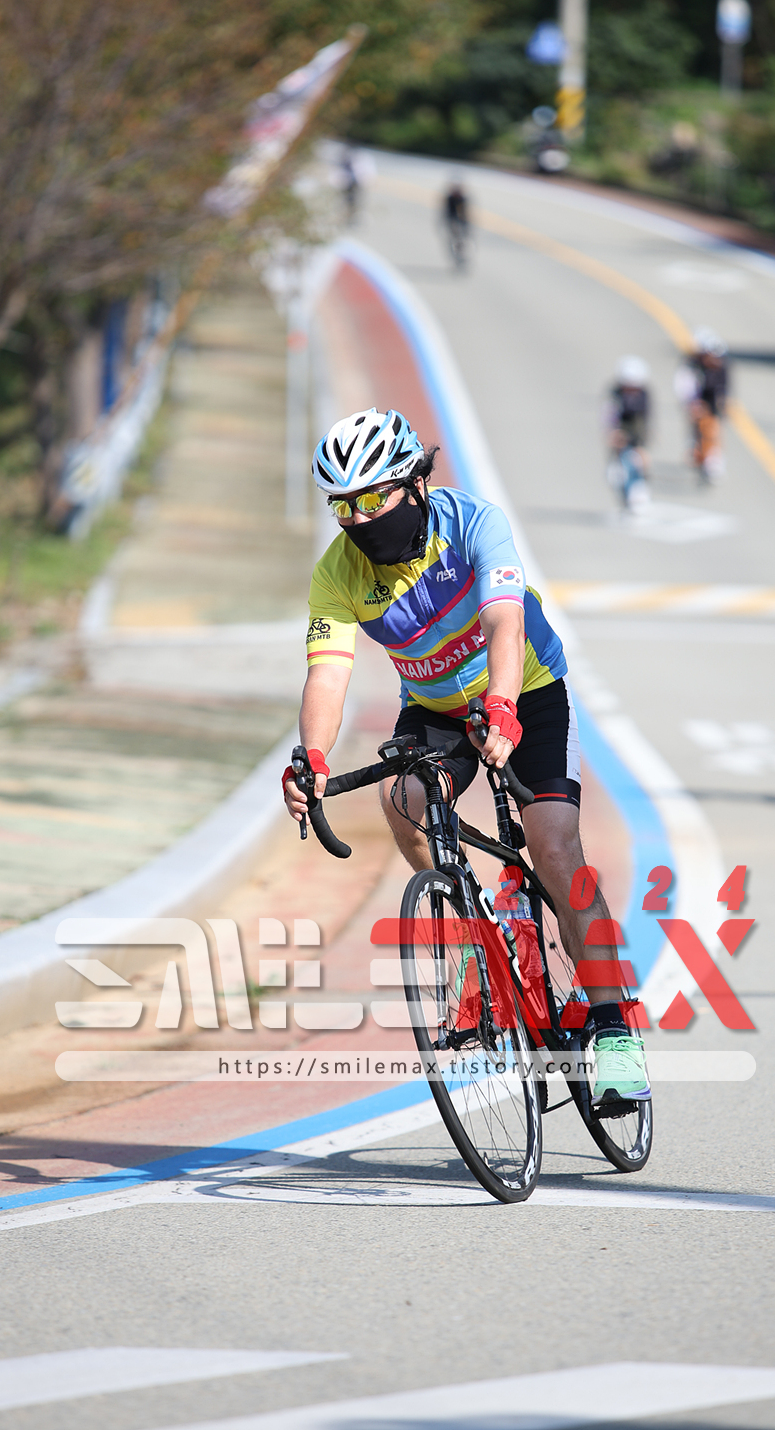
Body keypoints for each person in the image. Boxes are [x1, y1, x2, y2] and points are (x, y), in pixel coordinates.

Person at [283, 408, 650, 1102]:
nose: (360, 520)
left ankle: (613, 1028)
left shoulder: (474, 522)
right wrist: (313, 758)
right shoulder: (337, 574)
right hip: (435, 707)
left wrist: (504, 706)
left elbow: (503, 619)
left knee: (554, 846)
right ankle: (473, 949)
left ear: (415, 482)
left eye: (373, 499)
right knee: (404, 802)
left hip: (526, 689)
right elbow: (327, 674)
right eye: (344, 506)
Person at [674, 328, 728, 483]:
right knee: (698, 426)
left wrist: (720, 405)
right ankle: (696, 451)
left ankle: (713, 460)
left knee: (712, 428)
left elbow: (724, 389)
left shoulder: (721, 366)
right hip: (696, 400)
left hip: (712, 401)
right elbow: (684, 387)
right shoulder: (691, 366)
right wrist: (692, 404)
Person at [604, 356, 652, 511]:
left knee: (638, 464)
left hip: (636, 438)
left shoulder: (644, 396)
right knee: (618, 473)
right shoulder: (615, 396)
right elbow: (608, 417)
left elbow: (646, 421)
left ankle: (637, 494)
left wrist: (642, 444)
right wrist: (614, 434)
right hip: (620, 438)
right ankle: (626, 497)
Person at [442, 180, 470, 269]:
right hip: (453, 221)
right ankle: (456, 255)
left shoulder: (462, 199)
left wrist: (465, 224)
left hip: (461, 221)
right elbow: (447, 213)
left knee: (464, 239)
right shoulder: (450, 199)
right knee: (454, 238)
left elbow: (464, 212)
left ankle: (463, 255)